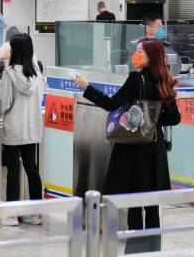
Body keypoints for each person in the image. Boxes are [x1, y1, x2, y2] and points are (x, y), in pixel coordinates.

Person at [73, 37, 181, 253]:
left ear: (151, 56)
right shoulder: (165, 80)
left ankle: (135, 249)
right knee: (152, 202)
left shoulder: (135, 79)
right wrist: (153, 118)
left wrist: (87, 88)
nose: (136, 54)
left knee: (133, 200)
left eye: (141, 51)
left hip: (133, 145)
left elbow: (111, 104)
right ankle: (152, 248)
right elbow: (174, 118)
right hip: (154, 148)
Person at [0, 33, 45, 227]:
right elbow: (41, 94)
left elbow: (3, 103)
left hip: (13, 127)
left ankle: (12, 215)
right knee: (31, 168)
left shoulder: (9, 72)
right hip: (32, 126)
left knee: (13, 170)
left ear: (14, 50)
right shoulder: (37, 71)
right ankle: (37, 213)